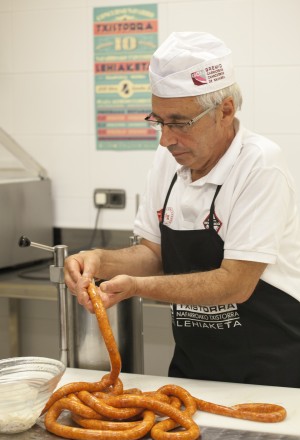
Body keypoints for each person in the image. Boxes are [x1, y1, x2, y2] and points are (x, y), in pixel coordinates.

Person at [65, 32, 300, 388]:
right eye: (158, 121)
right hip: (193, 370)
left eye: (179, 122)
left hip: (268, 373)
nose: (165, 139)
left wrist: (137, 287)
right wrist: (99, 260)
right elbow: (153, 253)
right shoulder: (169, 160)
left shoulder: (260, 165)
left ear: (225, 110)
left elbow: (235, 284)